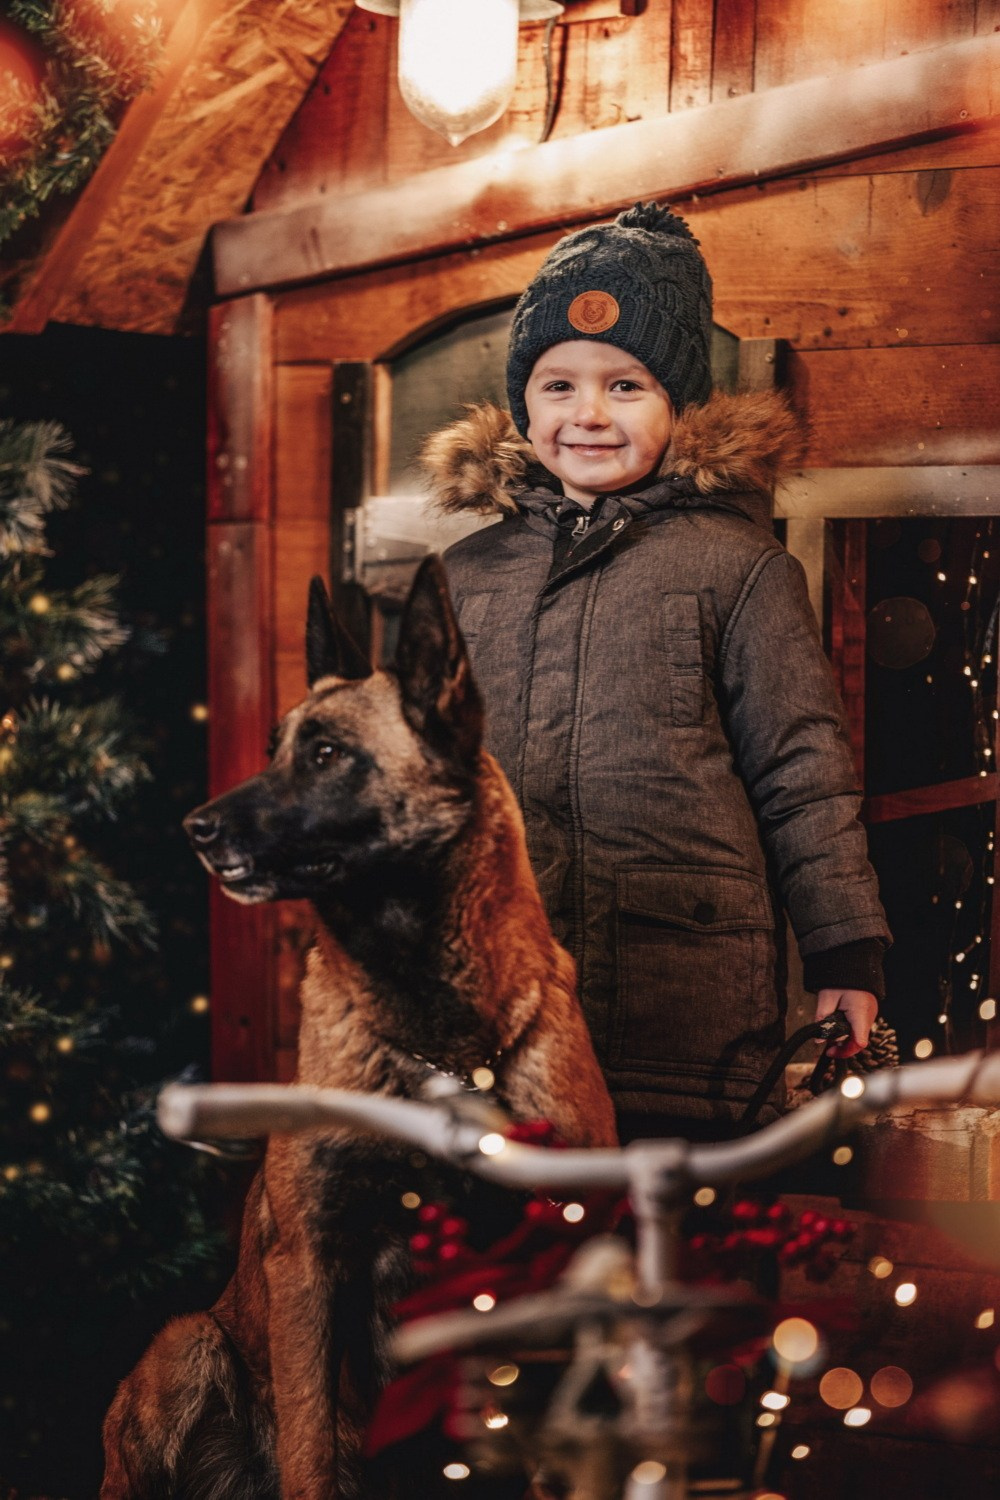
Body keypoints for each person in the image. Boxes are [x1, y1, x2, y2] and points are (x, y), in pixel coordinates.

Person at [424, 202, 889, 1138]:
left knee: (673, 1254)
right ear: (523, 406)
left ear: (679, 404)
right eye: (557, 386)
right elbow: (425, 781)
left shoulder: (738, 567)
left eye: (626, 385)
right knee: (508, 1260)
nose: (587, 414)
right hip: (503, 1002)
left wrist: (847, 951)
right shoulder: (465, 578)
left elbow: (802, 777)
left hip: (685, 1009)